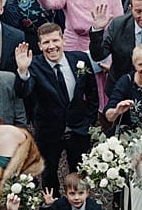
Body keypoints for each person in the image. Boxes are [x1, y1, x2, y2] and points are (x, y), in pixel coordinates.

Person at [13, 25, 100, 194]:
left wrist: (88, 122)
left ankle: (79, 203)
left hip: (78, 129)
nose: (51, 46)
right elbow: (23, 92)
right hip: (48, 132)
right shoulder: (33, 65)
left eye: (55, 40)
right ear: (40, 46)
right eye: (46, 42)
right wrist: (23, 71)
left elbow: (92, 93)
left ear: (63, 40)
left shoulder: (80, 58)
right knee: (49, 173)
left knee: (80, 172)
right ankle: (52, 206)